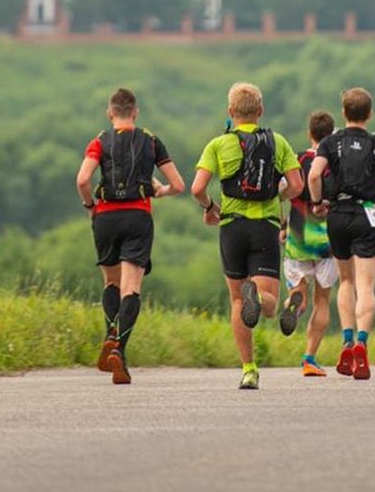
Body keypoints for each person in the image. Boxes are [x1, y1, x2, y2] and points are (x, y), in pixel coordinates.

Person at [192, 82, 303, 390]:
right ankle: (260, 293)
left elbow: (197, 188)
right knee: (267, 304)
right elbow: (297, 185)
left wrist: (210, 207)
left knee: (237, 301)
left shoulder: (217, 144)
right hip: (265, 226)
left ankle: (249, 369)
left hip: (231, 227)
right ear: (261, 111)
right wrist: (277, 197)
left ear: (230, 112)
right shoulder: (278, 142)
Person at [75, 87, 185, 385]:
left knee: (111, 282)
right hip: (138, 216)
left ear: (110, 113)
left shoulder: (99, 141)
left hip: (106, 217)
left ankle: (110, 332)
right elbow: (178, 184)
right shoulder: (151, 141)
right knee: (131, 288)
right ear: (135, 112)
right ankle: (119, 350)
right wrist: (160, 190)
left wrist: (90, 206)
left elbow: (83, 179)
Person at [308, 87, 375, 382]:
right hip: (367, 215)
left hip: (337, 214)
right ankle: (363, 341)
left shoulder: (330, 142)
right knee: (366, 285)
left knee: (346, 281)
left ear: (344, 113)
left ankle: (347, 341)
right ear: (370, 114)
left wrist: (317, 202)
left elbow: (314, 175)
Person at [278, 109, 338, 377]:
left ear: (309, 134)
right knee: (323, 300)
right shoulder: (336, 162)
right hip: (329, 241)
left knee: (298, 290)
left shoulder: (298, 159)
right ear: (332, 134)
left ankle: (294, 302)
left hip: (298, 236)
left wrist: (281, 224)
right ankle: (309, 359)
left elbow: (279, 192)